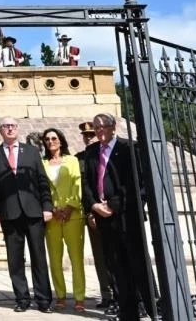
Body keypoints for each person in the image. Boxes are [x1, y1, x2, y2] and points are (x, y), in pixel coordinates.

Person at [81, 113, 156, 321]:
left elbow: (135, 182)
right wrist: (94, 205)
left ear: (113, 127)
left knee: (138, 264)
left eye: (103, 126)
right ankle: (127, 312)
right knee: (116, 266)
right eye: (96, 127)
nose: (99, 130)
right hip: (103, 216)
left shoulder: (128, 147)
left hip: (126, 215)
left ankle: (154, 309)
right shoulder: (91, 151)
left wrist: (113, 205)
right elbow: (87, 181)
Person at [0, 116, 53, 313]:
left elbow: (42, 181)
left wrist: (47, 206)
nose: (10, 129)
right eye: (6, 126)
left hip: (33, 212)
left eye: (13, 126)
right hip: (9, 213)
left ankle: (43, 299)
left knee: (39, 257)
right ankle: (22, 298)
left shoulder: (32, 151)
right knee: (15, 259)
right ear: (0, 131)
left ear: (18, 129)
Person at [41, 127, 86, 311]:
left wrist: (69, 207)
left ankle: (79, 296)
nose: (51, 141)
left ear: (61, 140)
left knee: (76, 258)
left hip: (72, 215)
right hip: (51, 216)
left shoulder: (72, 160)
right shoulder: (41, 163)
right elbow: (41, 188)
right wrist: (51, 208)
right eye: (47, 139)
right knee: (55, 258)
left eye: (54, 138)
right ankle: (60, 294)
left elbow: (78, 185)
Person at [74, 122, 115, 309]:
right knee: (100, 255)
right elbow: (82, 188)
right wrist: (91, 211)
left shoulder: (112, 153)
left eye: (92, 134)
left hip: (114, 211)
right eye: (87, 135)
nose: (89, 137)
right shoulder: (80, 158)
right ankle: (107, 293)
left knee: (118, 255)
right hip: (93, 213)